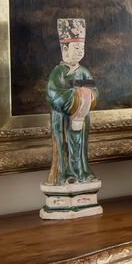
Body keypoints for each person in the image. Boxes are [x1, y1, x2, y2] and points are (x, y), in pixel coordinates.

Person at [46, 18, 98, 185]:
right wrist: (75, 98)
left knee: (80, 146)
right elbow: (53, 94)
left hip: (81, 117)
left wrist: (87, 96)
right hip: (63, 118)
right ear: (65, 49)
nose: (79, 52)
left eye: (81, 48)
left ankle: (81, 171)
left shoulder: (83, 72)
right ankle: (65, 174)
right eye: (76, 48)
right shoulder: (58, 72)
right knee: (65, 146)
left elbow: (94, 91)